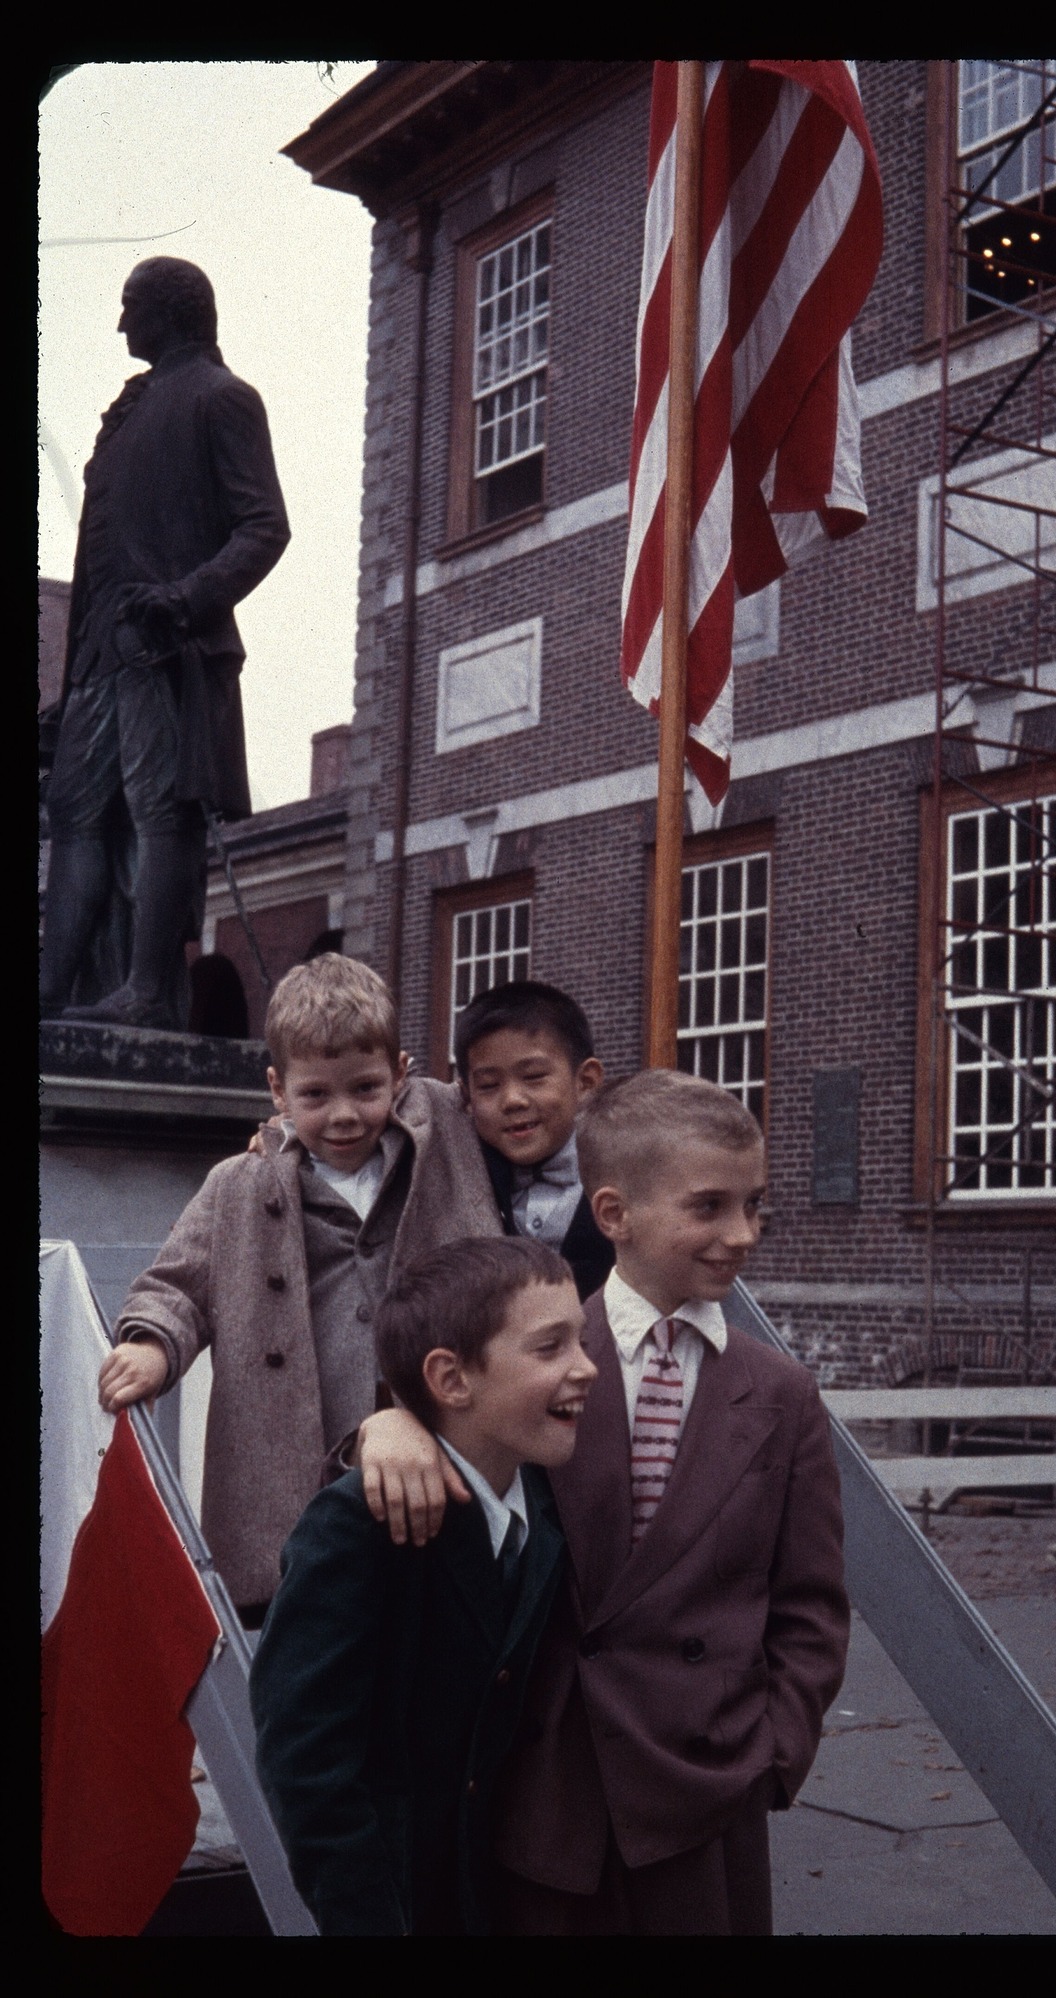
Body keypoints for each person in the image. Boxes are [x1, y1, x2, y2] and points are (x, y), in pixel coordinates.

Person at [489, 1067, 849, 1936]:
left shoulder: (781, 1394)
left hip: (705, 1793)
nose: (742, 1234)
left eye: (754, 1206)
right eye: (709, 1207)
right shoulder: (529, 1359)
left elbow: (811, 1606)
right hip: (550, 1792)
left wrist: (772, 1752)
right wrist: (383, 1434)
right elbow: (447, 1481)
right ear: (613, 1216)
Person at [96, 953, 502, 1623]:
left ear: (401, 1076)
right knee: (310, 1651)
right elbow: (178, 1285)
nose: (343, 1115)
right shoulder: (240, 1184)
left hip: (428, 1451)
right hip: (290, 1479)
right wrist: (151, 1344)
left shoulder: (441, 1140)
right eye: (316, 1096)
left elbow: (505, 1097)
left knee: (425, 1628)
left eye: (366, 1089)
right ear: (278, 1091)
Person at [249, 1238, 597, 1936]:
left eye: (581, 1340)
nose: (587, 1368)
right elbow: (308, 1767)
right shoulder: (356, 1529)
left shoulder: (548, 1500)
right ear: (452, 1379)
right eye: (550, 1346)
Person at [40, 256, 291, 1029]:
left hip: (169, 652)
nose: (121, 324)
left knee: (161, 814)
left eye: (131, 307)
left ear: (173, 312)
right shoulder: (136, 408)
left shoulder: (223, 398)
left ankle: (148, 990)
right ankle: (51, 990)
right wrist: (73, 675)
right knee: (75, 811)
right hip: (100, 662)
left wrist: (184, 600)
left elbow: (265, 528)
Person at [454, 979, 615, 1302]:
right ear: (466, 1097)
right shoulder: (461, 1175)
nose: (512, 1099)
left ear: (585, 1081)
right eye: (488, 1085)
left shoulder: (627, 1172)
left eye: (534, 1077)